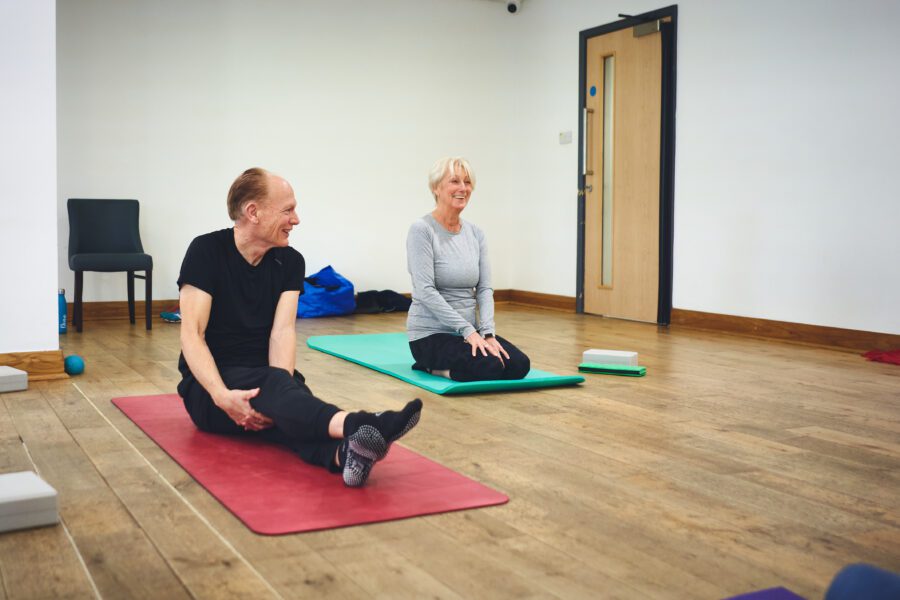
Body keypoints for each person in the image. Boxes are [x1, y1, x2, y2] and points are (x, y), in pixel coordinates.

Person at [177, 167, 421, 487]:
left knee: (295, 413)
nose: (296, 219)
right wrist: (222, 396)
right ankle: (362, 423)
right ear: (253, 211)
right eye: (288, 210)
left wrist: (278, 392)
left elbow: (282, 332)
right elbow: (192, 334)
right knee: (287, 401)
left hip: (266, 379)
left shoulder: (290, 261)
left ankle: (346, 453)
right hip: (211, 389)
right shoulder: (206, 251)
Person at [406, 157, 530, 382]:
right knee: (489, 367)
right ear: (436, 188)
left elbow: (484, 289)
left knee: (518, 366)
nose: (463, 188)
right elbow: (425, 290)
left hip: (467, 333)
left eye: (467, 182)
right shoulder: (422, 230)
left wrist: (488, 333)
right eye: (454, 181)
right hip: (431, 334)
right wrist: (468, 331)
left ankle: (465, 355)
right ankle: (430, 367)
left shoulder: (475, 233)